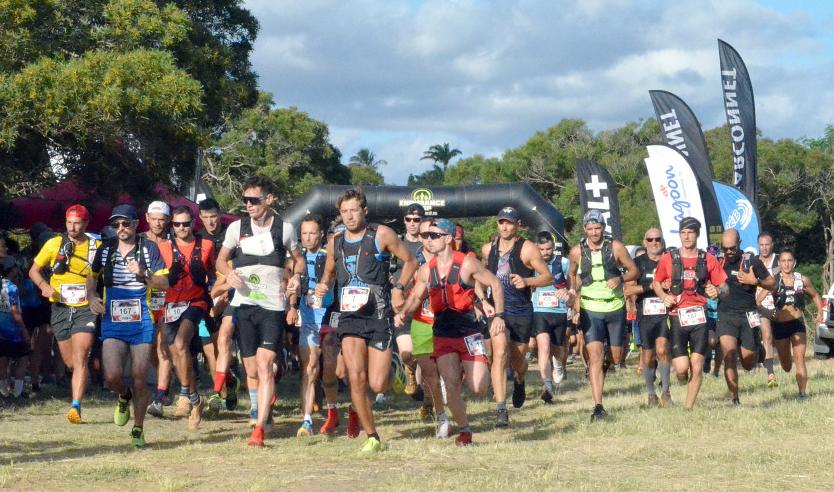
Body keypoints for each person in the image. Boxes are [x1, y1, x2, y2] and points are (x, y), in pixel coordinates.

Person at [314, 187, 418, 453]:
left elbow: (410, 261)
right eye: (344, 211)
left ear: (365, 211)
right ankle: (372, 436)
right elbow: (329, 273)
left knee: (377, 384)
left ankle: (393, 364)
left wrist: (398, 288)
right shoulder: (335, 241)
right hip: (349, 316)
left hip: (378, 315)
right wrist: (323, 285)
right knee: (355, 376)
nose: (349, 216)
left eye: (354, 210)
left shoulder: (381, 234)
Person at [396, 218, 504, 446]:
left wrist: (498, 316)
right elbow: (416, 296)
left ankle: (474, 367)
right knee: (451, 384)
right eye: (426, 236)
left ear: (447, 238)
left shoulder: (467, 263)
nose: (428, 240)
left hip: (468, 331)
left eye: (434, 236)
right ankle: (465, 431)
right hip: (443, 332)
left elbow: (495, 283)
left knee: (478, 388)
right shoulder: (426, 270)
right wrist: (403, 312)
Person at [215, 175, 303, 447]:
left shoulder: (284, 229)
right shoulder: (236, 228)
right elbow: (220, 260)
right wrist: (229, 274)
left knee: (264, 365)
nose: (248, 205)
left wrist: (297, 276)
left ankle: (259, 428)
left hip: (272, 306)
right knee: (251, 368)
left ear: (269, 199)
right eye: (245, 200)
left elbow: (298, 259)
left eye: (254, 200)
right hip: (244, 305)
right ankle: (262, 400)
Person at [87, 204, 169, 447]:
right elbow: (91, 275)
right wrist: (91, 296)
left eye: (125, 223)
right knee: (112, 376)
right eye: (116, 225)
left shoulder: (148, 248)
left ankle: (138, 428)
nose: (120, 228)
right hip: (113, 319)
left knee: (140, 377)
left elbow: (165, 283)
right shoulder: (106, 249)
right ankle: (124, 395)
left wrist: (144, 274)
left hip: (141, 320)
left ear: (135, 224)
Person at [481, 207, 552, 426]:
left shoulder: (528, 249)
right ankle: (501, 409)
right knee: (499, 354)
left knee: (517, 360)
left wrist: (527, 281)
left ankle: (520, 379)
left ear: (518, 225)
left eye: (509, 223)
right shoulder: (488, 249)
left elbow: (547, 277)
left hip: (520, 310)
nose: (504, 227)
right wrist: (482, 300)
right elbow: (479, 276)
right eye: (501, 222)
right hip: (497, 311)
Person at [29, 204, 100, 423]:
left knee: (81, 355)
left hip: (85, 307)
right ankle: (80, 379)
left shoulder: (96, 246)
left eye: (77, 223)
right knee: (70, 362)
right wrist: (44, 286)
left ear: (86, 223)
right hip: (60, 307)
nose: (72, 227)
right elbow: (33, 270)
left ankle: (75, 406)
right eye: (69, 222)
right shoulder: (54, 244)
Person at [568, 209, 638, 421]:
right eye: (590, 228)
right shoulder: (577, 251)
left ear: (603, 228)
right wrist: (573, 292)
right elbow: (572, 274)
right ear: (584, 229)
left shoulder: (615, 247)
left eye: (597, 228)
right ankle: (598, 406)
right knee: (595, 356)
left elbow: (634, 270)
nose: (594, 232)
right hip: (591, 308)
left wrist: (620, 278)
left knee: (616, 357)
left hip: (614, 307)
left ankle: (607, 362)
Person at [653, 218, 728, 409]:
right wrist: (663, 296)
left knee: (696, 364)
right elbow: (656, 282)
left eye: (690, 233)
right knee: (681, 368)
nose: (686, 237)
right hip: (677, 317)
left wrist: (718, 291)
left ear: (697, 234)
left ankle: (688, 408)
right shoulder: (669, 258)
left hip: (700, 317)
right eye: (683, 233)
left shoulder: (708, 259)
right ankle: (680, 376)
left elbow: (725, 287)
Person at [156, 206, 215, 429]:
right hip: (170, 305)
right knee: (176, 353)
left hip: (196, 302)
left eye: (186, 223)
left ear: (193, 224)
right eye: (177, 224)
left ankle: (189, 394)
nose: (182, 228)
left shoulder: (207, 245)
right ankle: (194, 398)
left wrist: (217, 295)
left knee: (181, 344)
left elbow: (212, 274)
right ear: (172, 226)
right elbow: (157, 278)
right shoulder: (162, 247)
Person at [286, 214, 334, 437]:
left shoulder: (330, 255)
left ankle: (334, 409)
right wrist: (292, 306)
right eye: (304, 233)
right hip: (308, 319)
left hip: (331, 318)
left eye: (312, 233)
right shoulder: (297, 260)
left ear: (321, 234)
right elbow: (292, 286)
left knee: (335, 371)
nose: (307, 237)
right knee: (309, 366)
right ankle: (306, 420)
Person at [717, 228, 775, 406]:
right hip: (726, 315)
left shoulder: (752, 261)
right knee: (729, 355)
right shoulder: (718, 261)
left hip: (748, 315)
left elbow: (773, 284)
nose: (728, 251)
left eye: (732, 248)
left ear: (739, 243)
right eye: (725, 248)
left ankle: (756, 349)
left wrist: (755, 281)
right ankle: (734, 398)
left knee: (748, 364)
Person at [758, 250, 823, 399]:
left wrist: (820, 312)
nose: (786, 264)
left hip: (797, 323)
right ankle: (784, 366)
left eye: (789, 260)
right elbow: (758, 302)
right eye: (783, 261)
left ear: (794, 262)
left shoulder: (802, 280)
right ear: (779, 263)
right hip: (780, 325)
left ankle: (802, 393)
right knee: (786, 365)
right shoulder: (773, 281)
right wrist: (771, 314)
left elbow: (815, 295)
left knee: (799, 358)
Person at [623, 228, 673, 407]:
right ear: (645, 242)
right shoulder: (637, 263)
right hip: (645, 313)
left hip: (665, 311)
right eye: (650, 239)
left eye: (657, 239)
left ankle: (666, 392)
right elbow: (627, 289)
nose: (654, 242)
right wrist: (650, 287)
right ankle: (651, 394)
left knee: (662, 349)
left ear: (663, 241)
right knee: (648, 355)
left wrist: (671, 285)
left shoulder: (670, 260)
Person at [141, 201, 179, 417]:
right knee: (150, 349)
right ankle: (163, 382)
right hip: (142, 301)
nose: (157, 223)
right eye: (154, 219)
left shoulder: (173, 243)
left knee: (163, 348)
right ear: (147, 218)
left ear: (168, 220)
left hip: (167, 299)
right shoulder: (138, 241)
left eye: (162, 220)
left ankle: (159, 396)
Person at [530, 231, 571, 404]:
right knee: (544, 347)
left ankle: (559, 364)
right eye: (542, 249)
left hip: (559, 311)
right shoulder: (532, 263)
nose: (546, 252)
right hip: (539, 310)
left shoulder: (564, 262)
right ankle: (547, 386)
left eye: (548, 249)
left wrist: (568, 292)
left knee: (557, 350)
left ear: (553, 247)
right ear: (536, 248)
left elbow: (572, 285)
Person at [390, 203, 426, 396]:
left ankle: (423, 391)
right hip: (401, 305)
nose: (412, 223)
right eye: (408, 219)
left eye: (416, 219)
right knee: (407, 354)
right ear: (404, 221)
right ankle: (410, 372)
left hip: (424, 305)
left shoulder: (428, 243)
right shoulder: (395, 243)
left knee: (425, 355)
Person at [0, 263, 31, 398]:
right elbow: (14, 311)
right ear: (11, 271)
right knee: (22, 359)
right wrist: (24, 331)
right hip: (13, 332)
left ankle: (4, 393)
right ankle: (17, 393)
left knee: (2, 361)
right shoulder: (11, 287)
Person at [755, 232, 779, 387]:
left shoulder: (780, 260)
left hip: (778, 304)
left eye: (767, 244)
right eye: (761, 245)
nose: (764, 248)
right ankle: (771, 374)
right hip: (759, 306)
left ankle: (765, 355)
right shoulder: (754, 261)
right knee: (767, 334)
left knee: (777, 341)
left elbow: (775, 283)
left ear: (772, 245)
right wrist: (757, 301)